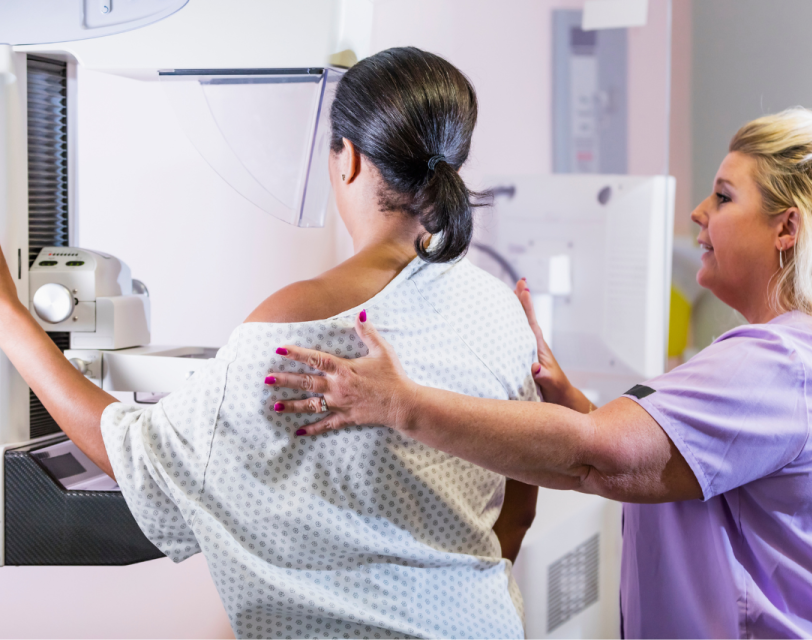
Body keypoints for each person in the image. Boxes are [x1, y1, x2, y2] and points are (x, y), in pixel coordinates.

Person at [267, 108, 812, 638]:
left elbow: (603, 462)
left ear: (786, 228)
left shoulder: (782, 364)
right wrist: (576, 405)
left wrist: (397, 404)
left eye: (724, 197)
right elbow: (663, 466)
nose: (700, 213)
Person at [0, 47, 541, 639]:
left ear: (349, 160)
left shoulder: (298, 319)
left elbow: (134, 453)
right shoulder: (501, 311)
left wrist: (8, 315)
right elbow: (519, 509)